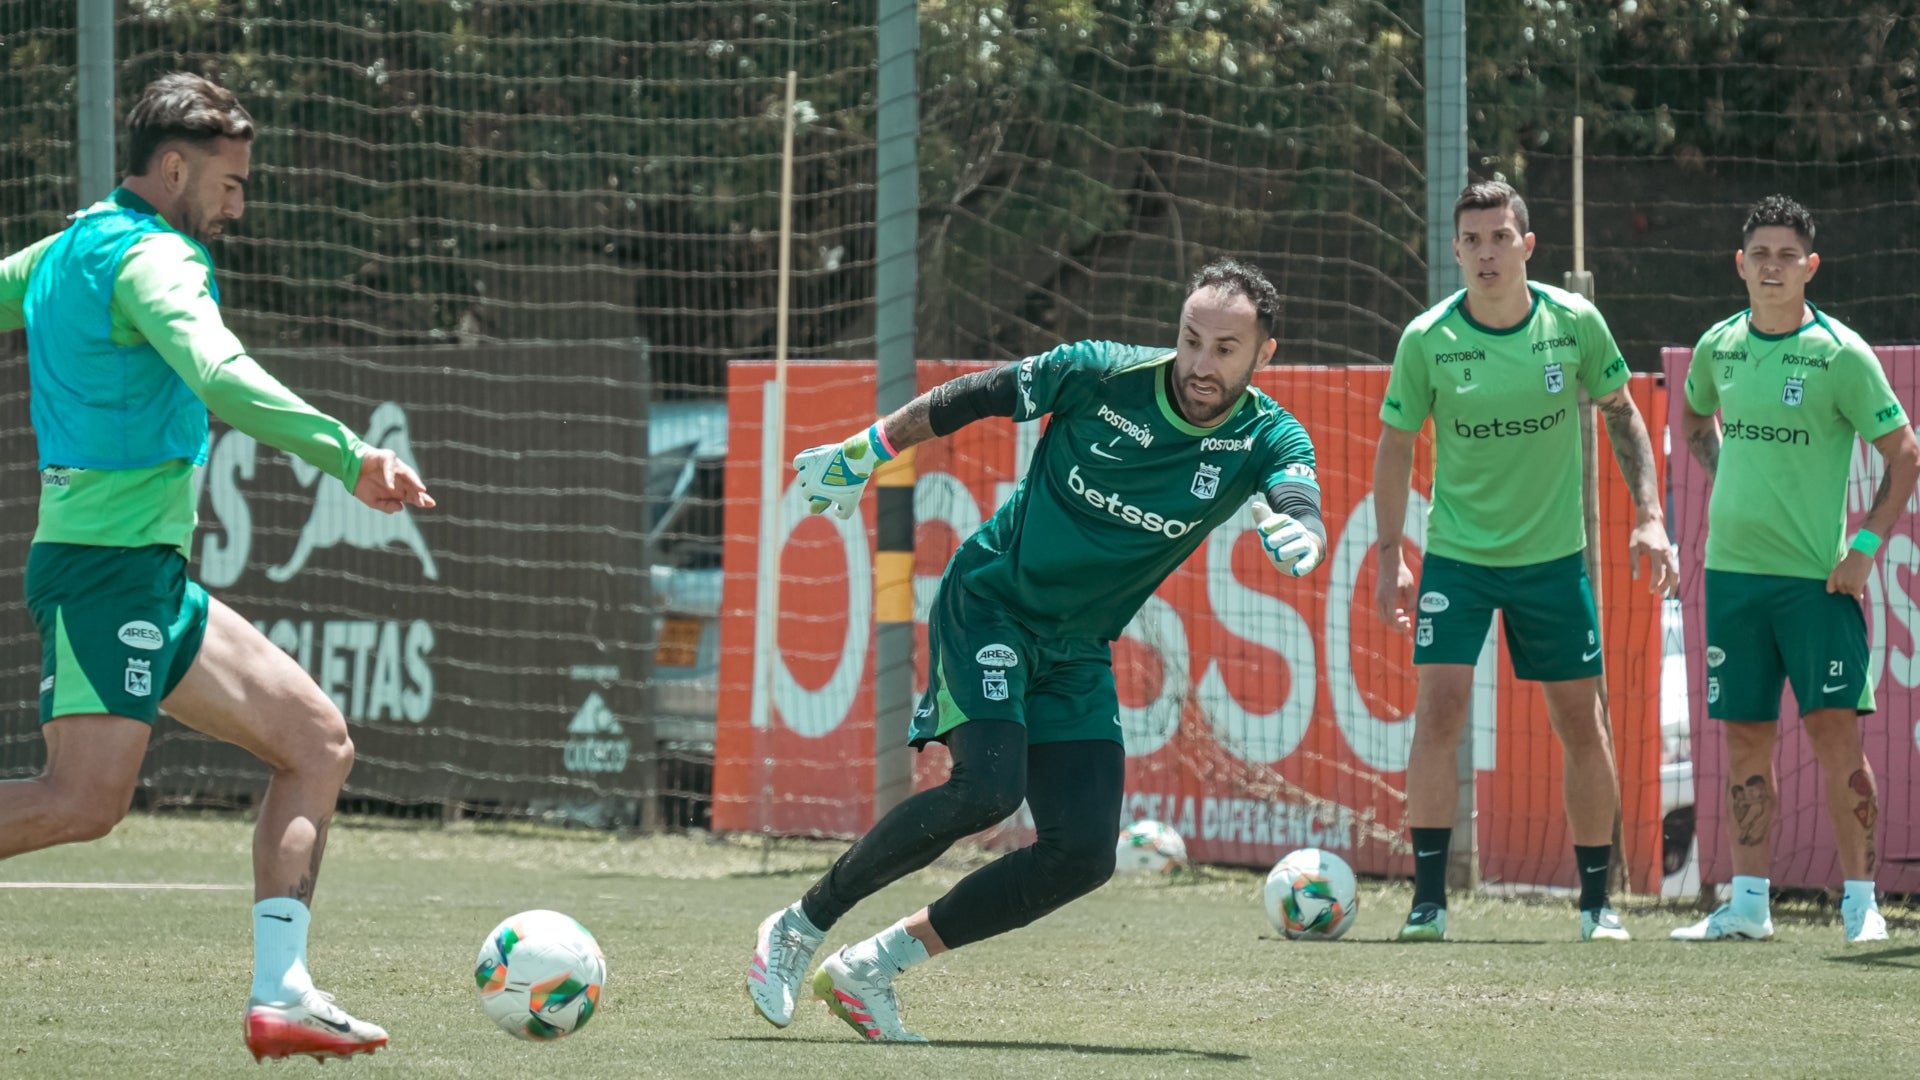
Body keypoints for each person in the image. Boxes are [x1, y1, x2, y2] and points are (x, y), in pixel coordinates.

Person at [745, 259, 1326, 1042]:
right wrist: (868, 448)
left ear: (1264, 354)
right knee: (987, 788)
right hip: (992, 604)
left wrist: (1306, 529)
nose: (1200, 363)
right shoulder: (1100, 374)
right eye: (1191, 339)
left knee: (1083, 853)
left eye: (1226, 349)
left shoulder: (1266, 434)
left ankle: (870, 967)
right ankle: (798, 925)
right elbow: (970, 395)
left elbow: (1296, 488)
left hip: (1078, 648)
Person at [0, 73, 433, 1060]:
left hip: (144, 573)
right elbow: (219, 372)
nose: (237, 204)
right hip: (106, 572)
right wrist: (348, 456)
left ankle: (284, 995)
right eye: (229, 183)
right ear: (173, 168)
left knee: (317, 743)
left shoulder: (67, 248)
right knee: (82, 802)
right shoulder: (156, 257)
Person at [1373, 180, 1678, 943]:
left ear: (1527, 245)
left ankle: (1597, 905)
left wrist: (1650, 517)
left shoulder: (1573, 323)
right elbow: (1396, 445)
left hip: (1552, 560)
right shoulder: (1427, 339)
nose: (1486, 252)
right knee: (1439, 710)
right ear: (1455, 250)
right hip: (1458, 559)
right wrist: (1390, 556)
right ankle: (1429, 903)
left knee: (1581, 720)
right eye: (1472, 240)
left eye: (1500, 237)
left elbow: (1623, 415)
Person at [1671, 195, 1916, 944]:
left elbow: (1905, 453)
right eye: (1760, 255)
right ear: (1739, 265)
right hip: (1732, 577)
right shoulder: (1718, 346)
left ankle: (1862, 906)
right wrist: (1729, 474)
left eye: (1787, 256)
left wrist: (1864, 548)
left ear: (1811, 267)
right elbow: (1694, 417)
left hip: (1816, 583)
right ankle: (1749, 905)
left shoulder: (1841, 354)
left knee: (1836, 739)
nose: (1771, 267)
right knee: (1745, 741)